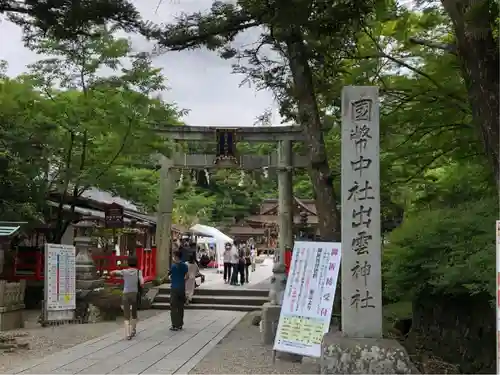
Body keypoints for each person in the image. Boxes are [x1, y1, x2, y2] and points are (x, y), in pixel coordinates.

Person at [110, 256, 144, 340]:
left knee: (126, 315)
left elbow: (114, 272)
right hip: (134, 294)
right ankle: (133, 330)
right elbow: (142, 282)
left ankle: (128, 334)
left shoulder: (124, 271)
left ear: (128, 263)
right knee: (134, 313)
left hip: (126, 294)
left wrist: (112, 273)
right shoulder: (138, 272)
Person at [169, 250, 188, 331]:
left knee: (173, 306)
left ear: (176, 257)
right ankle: (180, 324)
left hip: (174, 288)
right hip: (182, 287)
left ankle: (174, 324)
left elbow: (170, 276)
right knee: (180, 306)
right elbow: (187, 276)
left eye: (174, 256)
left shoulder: (173, 266)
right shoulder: (185, 265)